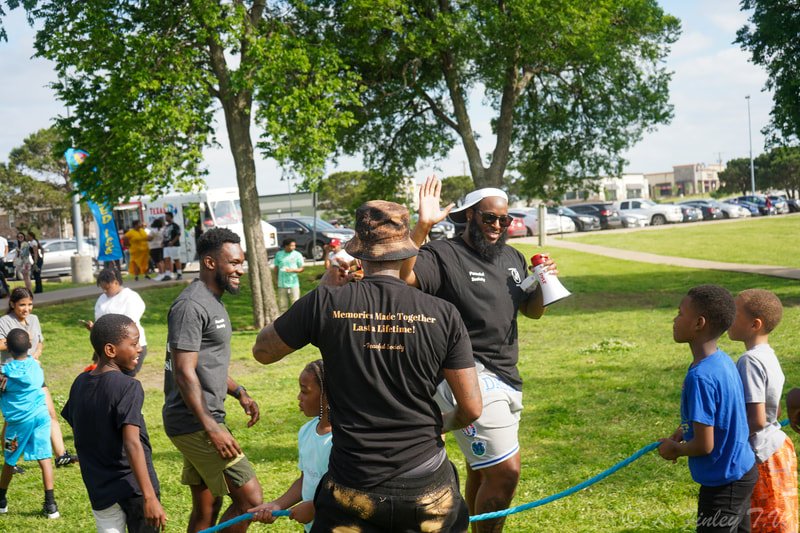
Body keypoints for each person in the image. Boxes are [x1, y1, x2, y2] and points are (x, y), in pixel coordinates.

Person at [251, 200, 482, 532]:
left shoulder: (326, 302)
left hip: (353, 488)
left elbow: (262, 351)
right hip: (428, 486)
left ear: (358, 253)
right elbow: (472, 408)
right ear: (406, 252)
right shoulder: (444, 314)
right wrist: (437, 425)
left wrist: (325, 291)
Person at [399, 177, 556, 532]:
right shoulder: (443, 254)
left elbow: (530, 311)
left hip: (506, 376)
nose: (498, 226)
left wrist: (543, 285)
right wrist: (422, 226)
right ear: (469, 216)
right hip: (465, 375)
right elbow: (402, 275)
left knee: (480, 469)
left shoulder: (512, 258)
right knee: (505, 473)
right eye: (490, 219)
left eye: (505, 220)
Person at [162, 227, 262, 532]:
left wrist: (239, 392)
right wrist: (212, 428)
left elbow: (205, 365)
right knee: (251, 500)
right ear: (209, 262)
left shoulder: (211, 301)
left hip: (199, 419)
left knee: (207, 505)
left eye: (241, 263)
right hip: (195, 422)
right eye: (233, 263)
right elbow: (183, 370)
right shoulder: (190, 306)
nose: (240, 270)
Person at [657, 284, 757, 532]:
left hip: (724, 484)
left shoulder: (700, 377)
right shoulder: (721, 360)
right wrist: (686, 427)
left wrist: (675, 450)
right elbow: (721, 412)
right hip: (743, 470)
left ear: (699, 323)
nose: (674, 319)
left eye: (680, 313)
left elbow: (704, 445)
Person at [62, 314, 167, 532]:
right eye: (134, 343)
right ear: (110, 350)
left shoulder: (80, 382)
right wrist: (150, 498)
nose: (139, 349)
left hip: (99, 487)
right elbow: (132, 443)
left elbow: (79, 425)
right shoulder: (129, 386)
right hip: (135, 489)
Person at [728, 289, 797, 531]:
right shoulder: (769, 356)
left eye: (735, 314)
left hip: (761, 455)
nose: (728, 318)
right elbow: (774, 411)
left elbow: (756, 421)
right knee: (781, 520)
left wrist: (724, 440)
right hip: (778, 447)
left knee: (764, 523)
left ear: (755, 324)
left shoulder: (749, 361)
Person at [0, 287, 78, 469]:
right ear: (12, 304)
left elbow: (40, 342)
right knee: (13, 420)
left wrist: (36, 354)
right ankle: (9, 459)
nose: (26, 309)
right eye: (21, 305)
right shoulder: (4, 322)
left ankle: (60, 455)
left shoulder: (34, 319)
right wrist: (18, 340)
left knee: (49, 412)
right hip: (10, 377)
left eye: (29, 304)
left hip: (32, 374)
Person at [253, 359, 332, 531]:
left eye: (305, 391)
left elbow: (351, 490)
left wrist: (316, 507)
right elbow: (306, 477)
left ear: (327, 396)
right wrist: (276, 505)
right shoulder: (306, 431)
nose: (299, 397)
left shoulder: (341, 441)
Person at [0, 328, 59, 519]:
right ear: (30, 345)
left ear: (7, 347)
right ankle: (51, 505)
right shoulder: (36, 367)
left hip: (17, 425)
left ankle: (1, 501)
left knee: (9, 459)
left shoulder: (5, 373)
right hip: (41, 417)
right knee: (45, 457)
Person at [83, 268, 149, 376]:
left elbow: (129, 325)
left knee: (124, 379)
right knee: (102, 376)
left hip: (127, 347)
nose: (105, 291)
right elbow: (99, 319)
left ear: (116, 282)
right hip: (106, 347)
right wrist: (95, 328)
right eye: (103, 289)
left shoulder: (130, 297)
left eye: (107, 288)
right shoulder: (102, 298)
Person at [273, 238, 305, 312]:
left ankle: (296, 321)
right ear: (285, 246)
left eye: (294, 246)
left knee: (295, 304)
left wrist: (292, 270)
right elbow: (276, 268)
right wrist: (275, 280)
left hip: (294, 284)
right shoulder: (279, 254)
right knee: (282, 305)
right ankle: (283, 321)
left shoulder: (297, 254)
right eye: (291, 246)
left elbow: (302, 268)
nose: (293, 247)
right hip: (282, 284)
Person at [160, 211, 182, 281]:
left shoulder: (175, 225)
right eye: (165, 217)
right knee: (166, 260)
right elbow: (164, 236)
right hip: (166, 246)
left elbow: (178, 234)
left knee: (176, 259)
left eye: (167, 216)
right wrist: (163, 242)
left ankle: (179, 274)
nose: (166, 218)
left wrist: (172, 242)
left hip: (174, 245)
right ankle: (167, 274)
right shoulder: (166, 226)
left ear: (171, 217)